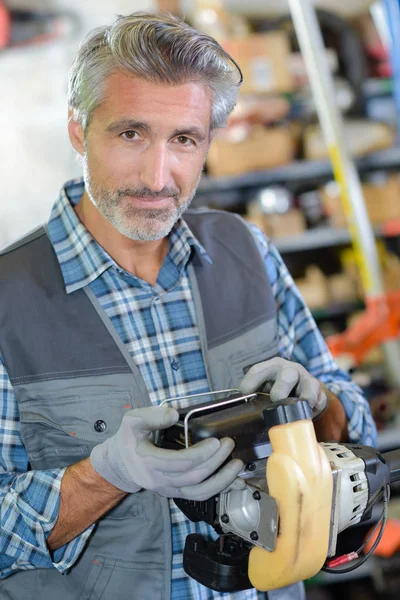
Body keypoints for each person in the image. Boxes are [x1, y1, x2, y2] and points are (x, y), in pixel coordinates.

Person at [0, 12, 376, 600]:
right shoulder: (8, 301)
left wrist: (320, 402)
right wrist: (105, 475)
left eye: (183, 140)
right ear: (78, 129)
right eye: (131, 134)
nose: (158, 176)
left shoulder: (246, 249)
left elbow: (352, 422)